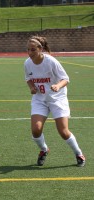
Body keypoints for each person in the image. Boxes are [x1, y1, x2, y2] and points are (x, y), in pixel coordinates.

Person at [24, 35, 86, 167]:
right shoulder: (27, 63)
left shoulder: (51, 61)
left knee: (63, 131)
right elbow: (28, 78)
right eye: (28, 50)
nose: (30, 53)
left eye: (33, 50)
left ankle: (78, 153)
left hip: (57, 99)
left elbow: (66, 79)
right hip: (40, 99)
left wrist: (57, 86)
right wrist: (32, 88)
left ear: (40, 49)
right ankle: (44, 149)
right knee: (36, 130)